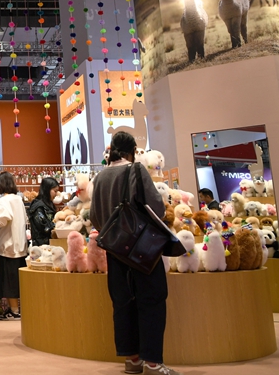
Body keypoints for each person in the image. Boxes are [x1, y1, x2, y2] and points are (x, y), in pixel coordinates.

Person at [90, 131, 180, 375]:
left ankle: (132, 360)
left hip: (114, 250)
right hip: (141, 249)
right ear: (131, 151)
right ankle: (153, 363)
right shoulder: (136, 170)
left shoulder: (100, 177)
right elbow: (157, 207)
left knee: (122, 302)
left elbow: (94, 216)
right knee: (152, 300)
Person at [0, 171, 28, 321]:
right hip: (20, 244)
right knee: (17, 279)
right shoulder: (18, 199)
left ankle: (14, 310)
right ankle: (16, 308)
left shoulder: (4, 201)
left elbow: (2, 220)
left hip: (9, 245)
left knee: (9, 280)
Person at [28, 176, 59, 247]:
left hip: (49, 244)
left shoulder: (48, 204)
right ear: (47, 190)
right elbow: (44, 227)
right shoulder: (38, 207)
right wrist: (57, 226)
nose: (56, 194)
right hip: (41, 247)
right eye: (55, 191)